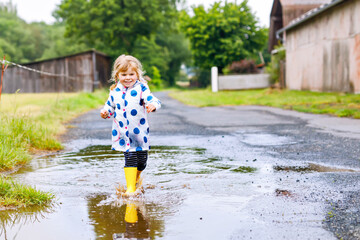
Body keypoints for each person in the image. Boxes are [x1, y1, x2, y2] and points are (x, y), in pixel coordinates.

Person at [100, 54, 161, 196]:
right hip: (123, 134)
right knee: (130, 158)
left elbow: (153, 100)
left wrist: (152, 105)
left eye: (131, 74)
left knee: (142, 162)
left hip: (139, 134)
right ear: (117, 75)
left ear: (137, 74)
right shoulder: (115, 91)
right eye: (124, 74)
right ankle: (130, 189)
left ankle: (137, 177)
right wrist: (105, 112)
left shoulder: (141, 88)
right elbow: (109, 107)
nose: (128, 78)